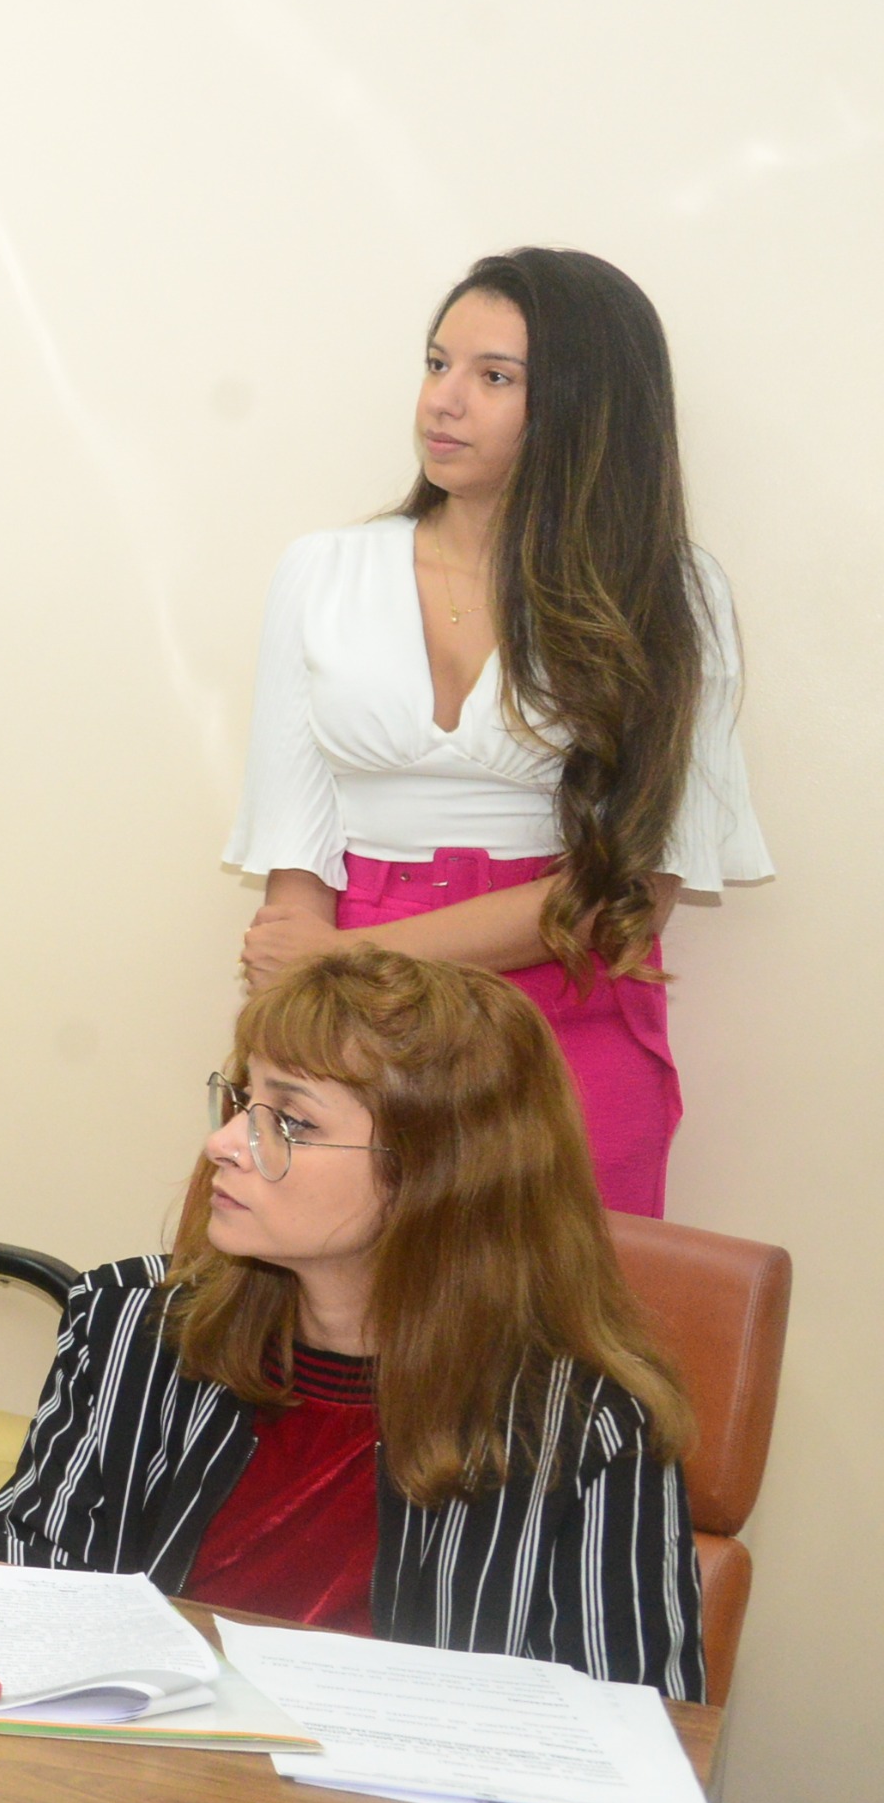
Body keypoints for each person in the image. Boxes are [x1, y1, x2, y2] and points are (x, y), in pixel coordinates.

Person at [0, 948, 702, 1697]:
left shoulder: (586, 1423)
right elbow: (27, 1603)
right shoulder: (131, 1324)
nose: (222, 1144)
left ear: (436, 1173)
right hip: (131, 1767)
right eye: (242, 1101)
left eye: (291, 1121)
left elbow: (636, 1727)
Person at [227, 248, 767, 1217]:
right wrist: (312, 987)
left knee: (560, 1303)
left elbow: (627, 897)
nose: (442, 400)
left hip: (560, 997)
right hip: (353, 1014)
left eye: (494, 377)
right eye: (437, 364)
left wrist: (352, 957)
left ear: (582, 408)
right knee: (344, 1290)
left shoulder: (671, 593)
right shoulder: (322, 571)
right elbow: (292, 858)